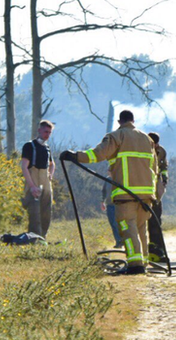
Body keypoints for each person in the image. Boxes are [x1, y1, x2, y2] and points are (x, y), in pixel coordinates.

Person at [61, 110, 157, 275]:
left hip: (126, 194)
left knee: (127, 229)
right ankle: (144, 262)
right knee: (141, 229)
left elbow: (97, 154)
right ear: (133, 121)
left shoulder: (116, 136)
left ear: (120, 121)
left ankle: (135, 266)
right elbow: (154, 168)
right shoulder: (147, 139)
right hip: (146, 195)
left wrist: (75, 156)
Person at [20, 120, 56, 238]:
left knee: (46, 212)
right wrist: (32, 186)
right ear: (39, 130)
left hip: (45, 183)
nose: (47, 135)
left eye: (49, 132)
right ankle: (33, 239)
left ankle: (42, 238)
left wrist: (50, 175)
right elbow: (24, 167)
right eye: (46, 131)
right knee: (34, 214)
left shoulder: (47, 148)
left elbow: (52, 164)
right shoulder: (29, 146)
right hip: (33, 180)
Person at [147, 132, 169, 262]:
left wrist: (165, 176)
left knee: (156, 221)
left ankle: (158, 250)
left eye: (155, 144)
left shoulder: (161, 151)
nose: (154, 146)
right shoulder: (142, 149)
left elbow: (164, 166)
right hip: (144, 191)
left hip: (156, 191)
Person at [100, 181, 124, 249]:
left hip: (117, 204)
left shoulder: (118, 178)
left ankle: (121, 240)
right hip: (109, 205)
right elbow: (103, 191)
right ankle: (118, 241)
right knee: (112, 224)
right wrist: (102, 202)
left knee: (116, 223)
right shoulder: (107, 180)